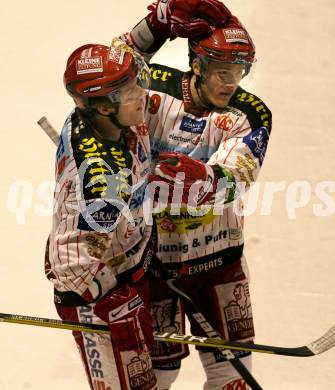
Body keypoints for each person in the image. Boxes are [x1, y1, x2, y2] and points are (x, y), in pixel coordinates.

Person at [121, 1, 272, 389]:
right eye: (223, 71)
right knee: (157, 376)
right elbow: (109, 73)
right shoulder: (152, 86)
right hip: (152, 262)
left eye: (240, 71)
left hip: (218, 261)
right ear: (198, 65)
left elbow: (239, 175)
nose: (232, 82)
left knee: (232, 379)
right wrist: (153, 26)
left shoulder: (250, 113)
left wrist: (205, 178)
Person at [45, 39, 158, 390]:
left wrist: (152, 28)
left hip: (124, 266)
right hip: (93, 297)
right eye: (130, 92)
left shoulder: (96, 117)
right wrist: (113, 301)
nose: (143, 94)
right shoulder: (104, 182)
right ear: (105, 108)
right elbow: (70, 263)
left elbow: (112, 58)